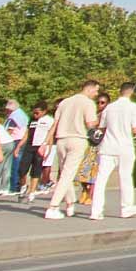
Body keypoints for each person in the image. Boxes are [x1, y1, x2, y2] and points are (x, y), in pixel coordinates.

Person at [44, 79, 101, 220]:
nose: (96, 94)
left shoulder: (65, 102)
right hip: (77, 139)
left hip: (61, 139)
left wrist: (46, 142)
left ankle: (70, 204)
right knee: (67, 174)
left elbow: (55, 123)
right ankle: (53, 207)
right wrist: (99, 119)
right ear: (89, 89)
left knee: (65, 173)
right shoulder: (88, 103)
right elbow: (90, 124)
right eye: (96, 90)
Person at [90, 84, 136, 219]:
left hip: (107, 146)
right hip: (125, 147)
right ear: (131, 92)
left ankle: (96, 211)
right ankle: (126, 208)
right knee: (125, 177)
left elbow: (102, 127)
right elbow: (135, 129)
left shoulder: (109, 108)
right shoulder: (133, 107)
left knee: (101, 179)